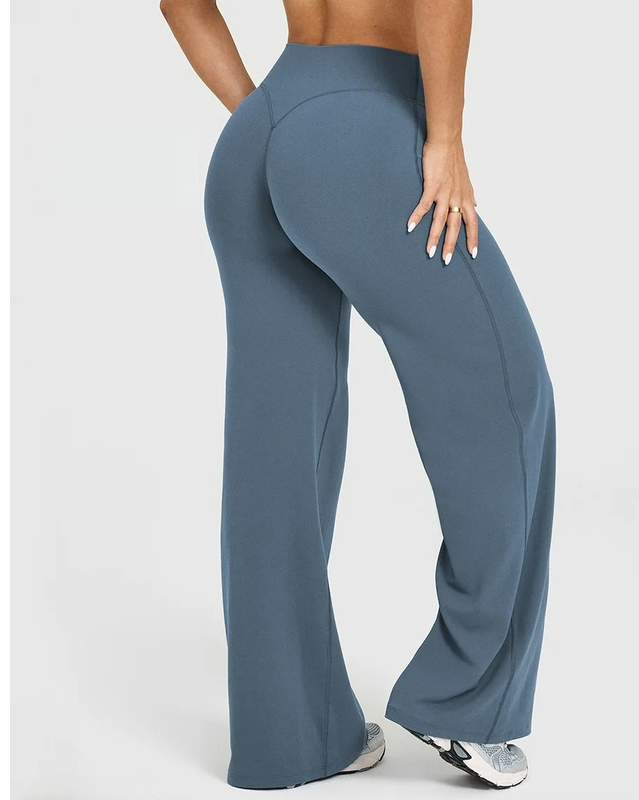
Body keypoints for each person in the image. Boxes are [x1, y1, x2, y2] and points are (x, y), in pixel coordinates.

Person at [160, 0, 555, 790]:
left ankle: (290, 738)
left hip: (262, 130)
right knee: (509, 397)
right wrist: (445, 140)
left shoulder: (275, 121)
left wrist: (271, 121)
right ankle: (465, 700)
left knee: (277, 448)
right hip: (364, 129)